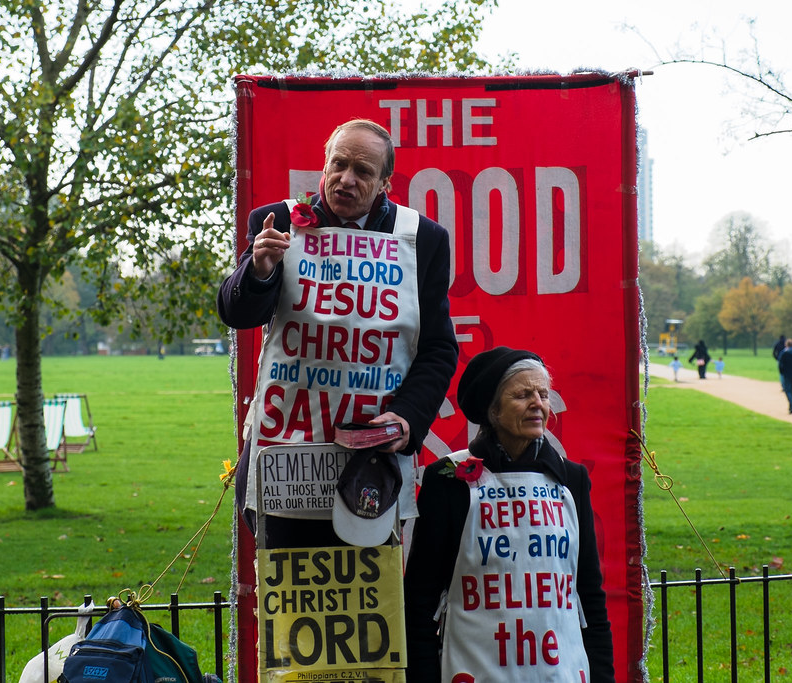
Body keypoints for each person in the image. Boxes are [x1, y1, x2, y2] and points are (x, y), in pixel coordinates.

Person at [217, 118, 458, 547]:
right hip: (286, 454)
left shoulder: (423, 240)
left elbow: (438, 348)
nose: (346, 180)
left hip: (371, 458)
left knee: (370, 605)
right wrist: (258, 270)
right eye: (338, 165)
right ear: (324, 167)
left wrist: (407, 419)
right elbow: (238, 313)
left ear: (385, 182)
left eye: (363, 171)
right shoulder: (278, 221)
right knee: (291, 602)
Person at [404, 347, 614, 682]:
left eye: (543, 394)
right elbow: (421, 596)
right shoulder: (448, 479)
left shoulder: (571, 479)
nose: (538, 404)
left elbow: (588, 594)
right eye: (522, 395)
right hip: (474, 669)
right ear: (492, 410)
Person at [779, 339, 792, 415]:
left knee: (788, 390)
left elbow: (780, 365)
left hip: (787, 375)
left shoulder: (784, 353)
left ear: (786, 345)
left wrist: (782, 372)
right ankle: (791, 404)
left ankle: (791, 404)